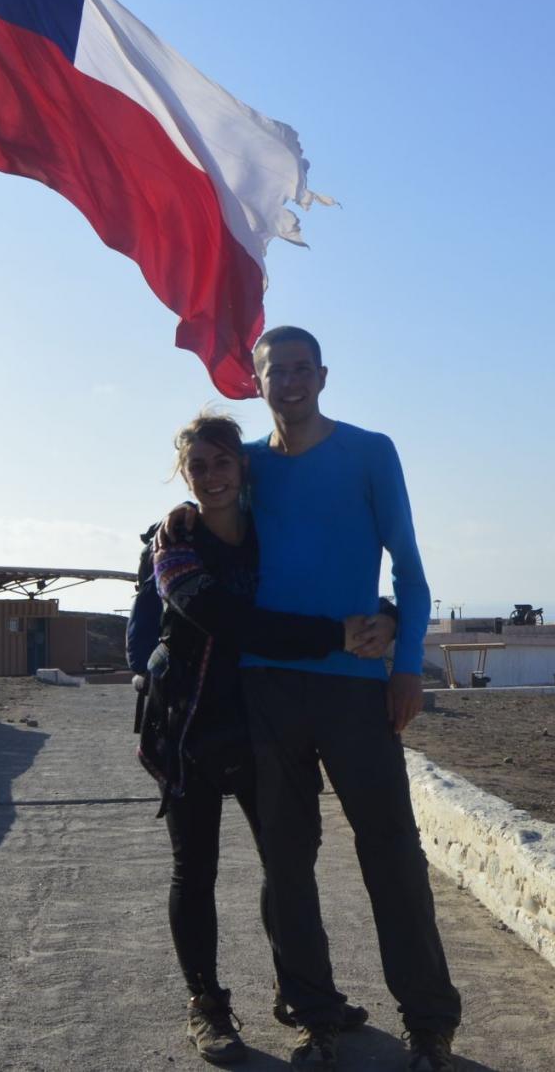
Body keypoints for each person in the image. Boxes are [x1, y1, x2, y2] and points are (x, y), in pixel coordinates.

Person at [171, 326, 460, 1072]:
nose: (291, 382)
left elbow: (412, 569)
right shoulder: (251, 467)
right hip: (267, 688)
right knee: (288, 862)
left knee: (392, 852)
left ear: (323, 375)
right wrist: (175, 522)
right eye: (276, 371)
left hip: (359, 688)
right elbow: (208, 512)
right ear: (257, 382)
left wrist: (405, 661)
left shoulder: (371, 451)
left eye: (302, 369)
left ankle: (429, 1020)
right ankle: (311, 1010)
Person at [128, 411, 393, 1065]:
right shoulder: (173, 546)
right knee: (196, 871)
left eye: (223, 462)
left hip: (259, 726)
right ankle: (207, 1007)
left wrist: (381, 611)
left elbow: (318, 579)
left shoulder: (266, 533)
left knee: (286, 864)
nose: (212, 476)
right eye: (199, 466)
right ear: (184, 475)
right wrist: (337, 634)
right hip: (187, 729)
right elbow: (230, 621)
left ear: (242, 466)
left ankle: (302, 993)